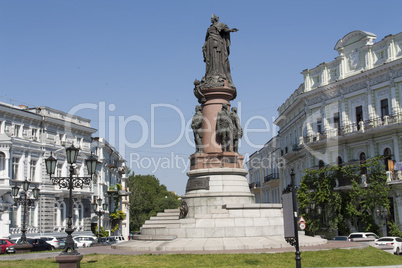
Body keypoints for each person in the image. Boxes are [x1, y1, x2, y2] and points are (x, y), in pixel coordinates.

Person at [202, 14, 238, 88]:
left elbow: (225, 30)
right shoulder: (209, 28)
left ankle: (218, 74)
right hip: (209, 45)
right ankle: (211, 75)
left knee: (217, 60)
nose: (211, 19)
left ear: (215, 19)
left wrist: (231, 30)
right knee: (211, 60)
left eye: (212, 18)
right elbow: (206, 38)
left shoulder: (220, 25)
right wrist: (204, 46)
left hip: (217, 44)